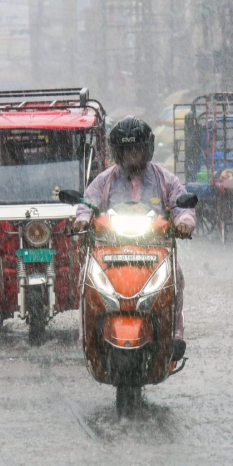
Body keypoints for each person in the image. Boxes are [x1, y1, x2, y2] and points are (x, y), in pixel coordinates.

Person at [73, 117, 196, 357]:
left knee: (176, 277)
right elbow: (87, 203)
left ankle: (174, 335)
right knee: (84, 277)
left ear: (146, 150)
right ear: (117, 153)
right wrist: (82, 219)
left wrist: (184, 222)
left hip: (155, 249)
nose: (131, 155)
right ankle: (87, 337)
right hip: (110, 249)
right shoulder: (104, 180)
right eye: (126, 150)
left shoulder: (165, 179)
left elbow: (182, 206)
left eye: (136, 149)